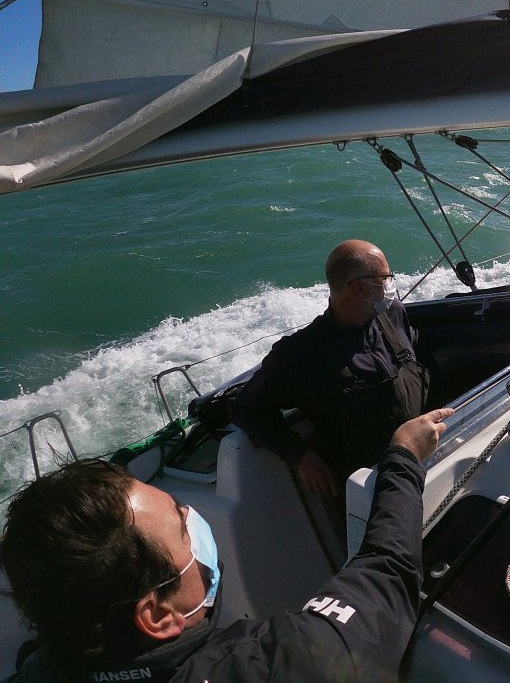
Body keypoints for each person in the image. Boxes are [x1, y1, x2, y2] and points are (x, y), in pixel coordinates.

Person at [1, 407, 453, 682]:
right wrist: (404, 456)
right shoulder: (286, 663)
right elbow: (386, 572)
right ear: (158, 616)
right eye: (181, 524)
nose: (192, 516)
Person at [231, 240, 430, 496]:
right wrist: (300, 455)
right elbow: (244, 409)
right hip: (373, 484)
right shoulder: (300, 354)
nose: (391, 284)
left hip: (428, 455)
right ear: (360, 289)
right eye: (385, 277)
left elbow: (420, 362)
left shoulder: (393, 314)